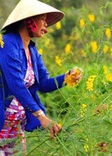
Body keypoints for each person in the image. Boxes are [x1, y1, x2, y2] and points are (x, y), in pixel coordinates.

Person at [0, 0, 82, 155]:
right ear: (28, 20)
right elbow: (16, 85)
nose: (46, 25)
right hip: (1, 123)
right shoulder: (7, 43)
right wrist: (41, 116)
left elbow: (44, 83)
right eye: (43, 19)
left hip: (17, 127)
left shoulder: (32, 50)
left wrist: (67, 77)